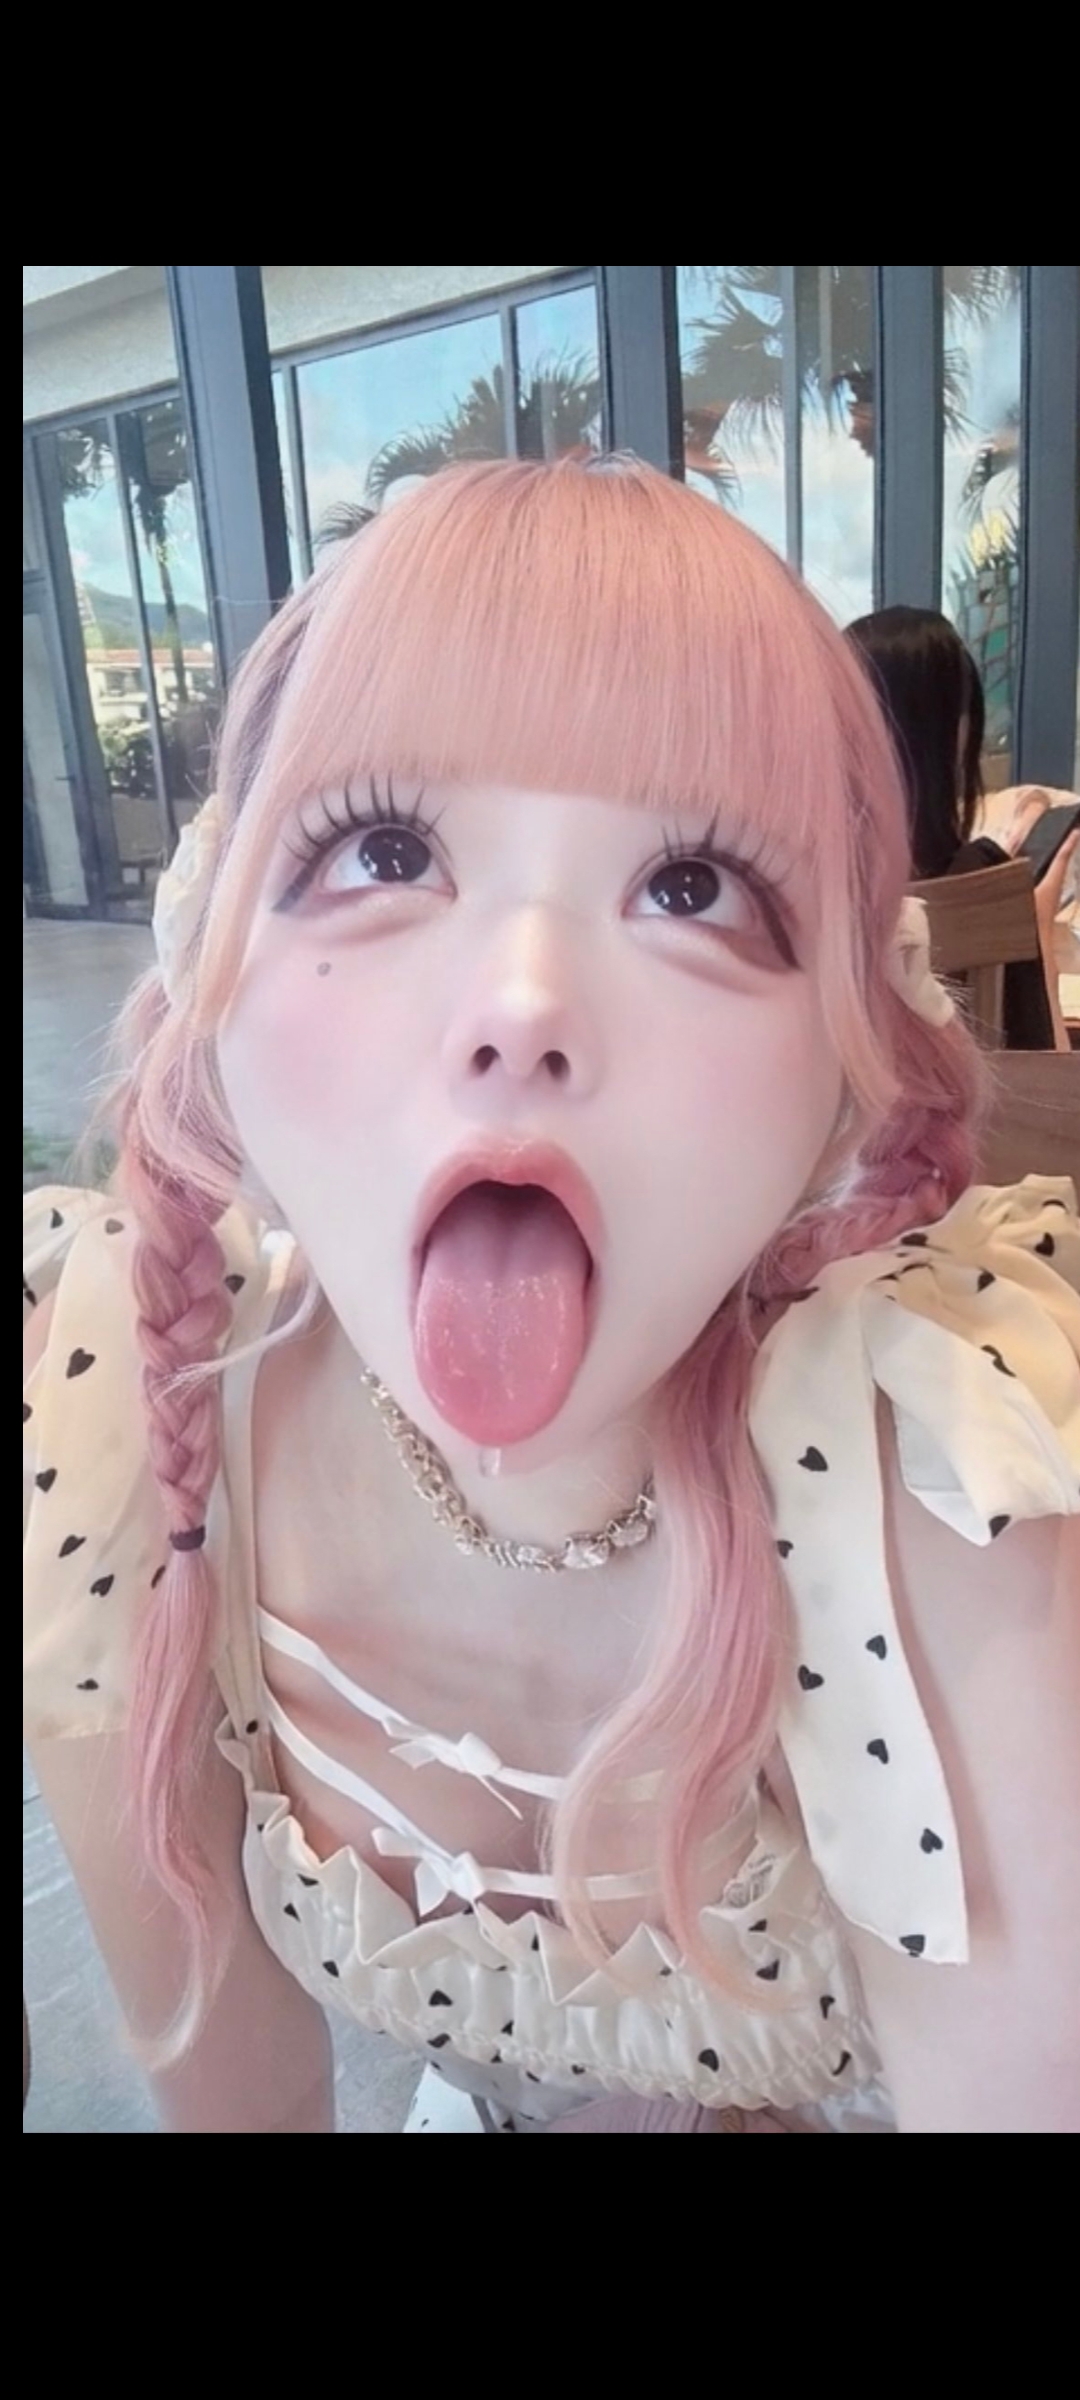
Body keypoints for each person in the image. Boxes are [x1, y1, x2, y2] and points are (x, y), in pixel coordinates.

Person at [23, 459, 1080, 2136]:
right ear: (210, 967)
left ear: (845, 1068)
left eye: (692, 888)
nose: (521, 1007)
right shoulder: (129, 1423)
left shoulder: (937, 1491)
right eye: (382, 848)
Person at [846, 605, 1078, 1051]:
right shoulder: (986, 880)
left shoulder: (797, 885)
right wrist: (1036, 926)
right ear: (957, 733)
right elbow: (1041, 1079)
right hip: (974, 1100)